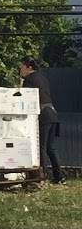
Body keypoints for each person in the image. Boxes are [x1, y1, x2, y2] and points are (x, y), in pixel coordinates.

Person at [20, 56, 66, 184]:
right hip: (52, 113)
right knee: (51, 147)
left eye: (21, 67)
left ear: (29, 67)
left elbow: (23, 98)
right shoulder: (42, 78)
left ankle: (41, 176)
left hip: (43, 115)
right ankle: (59, 177)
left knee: (40, 147)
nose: (20, 70)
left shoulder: (29, 79)